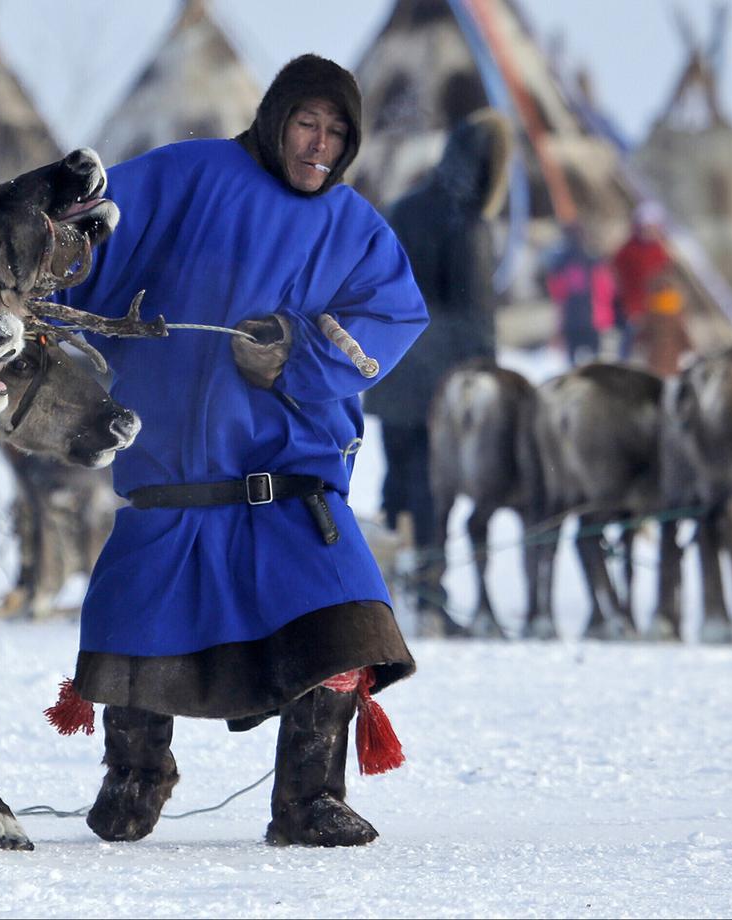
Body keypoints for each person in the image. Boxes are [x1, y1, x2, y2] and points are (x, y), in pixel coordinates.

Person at [53, 54, 428, 847]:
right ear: (274, 118)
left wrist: (295, 349)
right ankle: (137, 772)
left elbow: (391, 317)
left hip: (293, 495)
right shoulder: (189, 175)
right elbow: (86, 240)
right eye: (306, 123)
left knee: (344, 626)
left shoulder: (355, 227)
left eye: (336, 132)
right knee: (135, 639)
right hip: (172, 490)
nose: (319, 145)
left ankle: (307, 800)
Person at [362, 109, 513, 638]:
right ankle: (429, 594)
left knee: (399, 481)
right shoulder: (466, 223)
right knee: (431, 488)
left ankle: (391, 592)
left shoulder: (403, 208)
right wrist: (489, 377)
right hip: (439, 383)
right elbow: (473, 314)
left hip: (392, 368)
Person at [543, 222, 614, 366]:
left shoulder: (561, 262)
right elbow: (606, 290)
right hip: (590, 319)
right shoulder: (593, 261)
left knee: (573, 362)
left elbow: (557, 293)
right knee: (595, 360)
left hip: (573, 319)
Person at [611, 202, 672, 361]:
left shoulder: (660, 251)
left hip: (657, 309)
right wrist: (632, 308)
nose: (650, 232)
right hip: (634, 310)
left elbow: (665, 281)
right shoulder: (627, 252)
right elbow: (620, 281)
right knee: (631, 347)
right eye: (647, 227)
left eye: (654, 227)